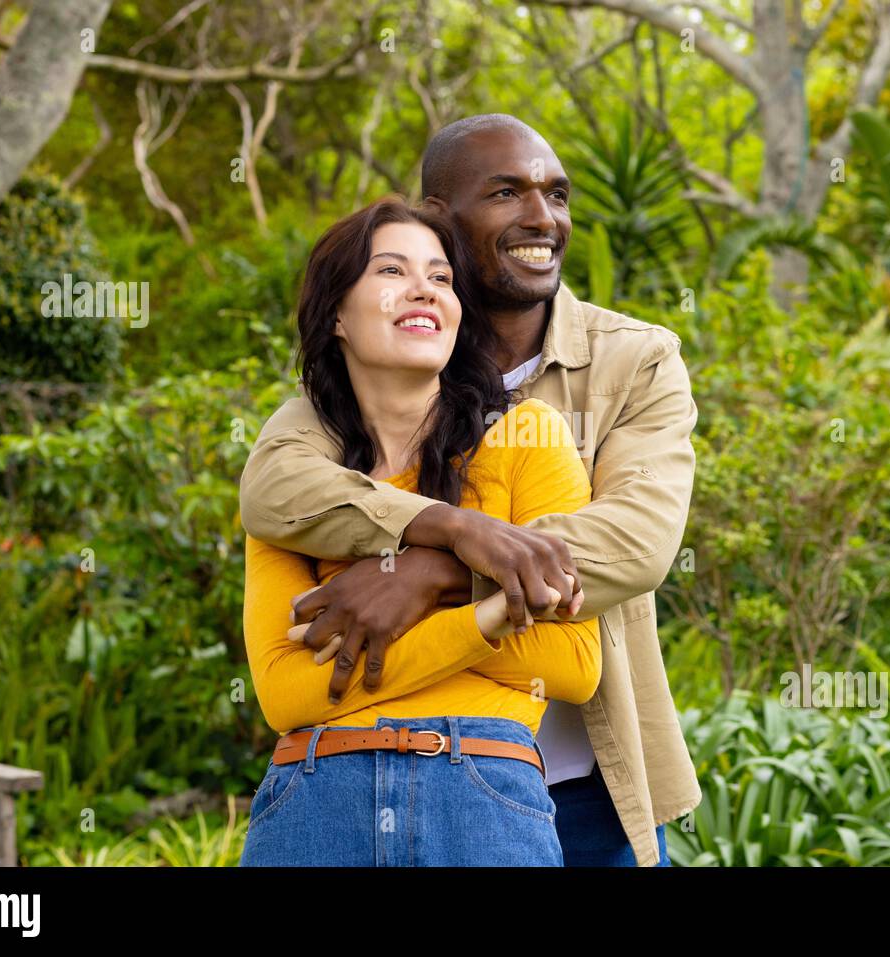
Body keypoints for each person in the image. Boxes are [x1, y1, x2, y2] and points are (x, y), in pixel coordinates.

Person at [240, 114, 700, 867]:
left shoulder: (635, 360)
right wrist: (449, 529)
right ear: (440, 218)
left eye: (557, 193)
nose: (541, 218)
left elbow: (639, 543)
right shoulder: (378, 377)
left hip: (588, 780)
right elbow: (274, 489)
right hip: (365, 767)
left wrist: (431, 566)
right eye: (507, 193)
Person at [239, 197, 599, 866]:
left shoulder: (527, 438)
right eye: (391, 270)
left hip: (482, 791)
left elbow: (571, 665)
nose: (423, 289)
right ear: (337, 315)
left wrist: (426, 588)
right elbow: (286, 693)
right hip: (317, 797)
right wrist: (491, 612)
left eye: (440, 276)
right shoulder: (302, 474)